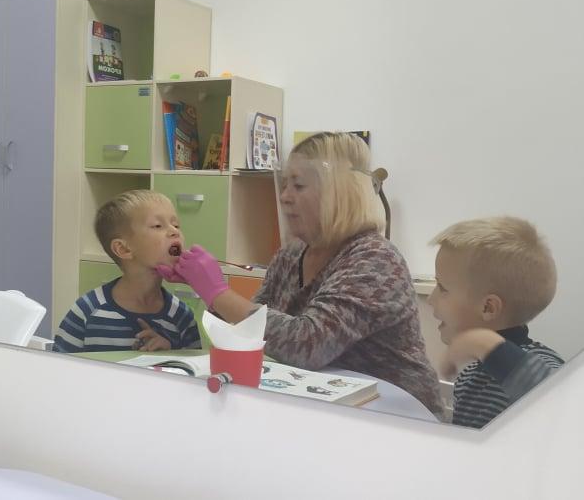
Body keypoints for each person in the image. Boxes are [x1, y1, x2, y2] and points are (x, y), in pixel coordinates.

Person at [158, 132, 444, 417]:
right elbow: (250, 334)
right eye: (284, 185)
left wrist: (218, 292)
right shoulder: (291, 255)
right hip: (329, 408)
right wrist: (204, 287)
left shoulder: (376, 258)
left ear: (338, 192)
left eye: (298, 185)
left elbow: (308, 345)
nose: (284, 197)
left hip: (399, 416)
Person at [428, 216, 564, 428]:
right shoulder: (469, 376)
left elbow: (563, 405)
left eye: (442, 288)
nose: (431, 299)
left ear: (488, 308)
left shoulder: (543, 365)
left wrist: (482, 342)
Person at [54, 190, 201, 353]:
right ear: (123, 249)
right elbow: (56, 366)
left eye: (176, 225)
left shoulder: (181, 315)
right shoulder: (87, 310)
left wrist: (169, 351)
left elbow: (195, 366)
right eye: (157, 226)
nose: (175, 231)